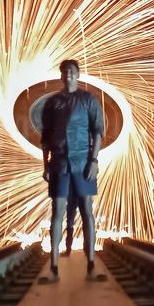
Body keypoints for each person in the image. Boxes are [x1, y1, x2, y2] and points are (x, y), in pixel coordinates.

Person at [41, 58, 104, 281]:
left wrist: (94, 161)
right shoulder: (52, 103)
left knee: (88, 210)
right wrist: (45, 163)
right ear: (61, 75)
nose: (68, 75)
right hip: (59, 162)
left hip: (83, 162)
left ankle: (91, 265)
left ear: (78, 75)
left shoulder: (88, 100)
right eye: (65, 72)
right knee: (57, 211)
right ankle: (54, 269)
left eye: (72, 71)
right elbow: (46, 137)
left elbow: (97, 131)